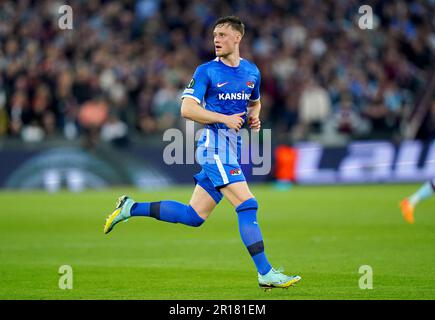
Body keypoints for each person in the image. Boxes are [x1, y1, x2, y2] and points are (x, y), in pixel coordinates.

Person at [103, 16, 301, 289]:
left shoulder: (252, 71)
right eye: (214, 35)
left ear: (237, 38)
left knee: (194, 216)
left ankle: (130, 208)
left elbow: (254, 103)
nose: (216, 40)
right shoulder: (207, 71)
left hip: (232, 147)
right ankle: (265, 273)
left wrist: (255, 118)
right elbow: (186, 109)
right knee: (247, 204)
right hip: (213, 148)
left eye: (222, 34)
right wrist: (222, 118)